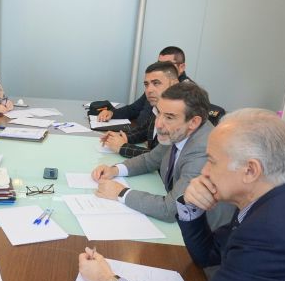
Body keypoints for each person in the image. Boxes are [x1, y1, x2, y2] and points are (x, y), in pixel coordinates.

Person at [79, 108, 285, 281]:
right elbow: (208, 255)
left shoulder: (271, 233)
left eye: (212, 162)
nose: (203, 172)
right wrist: (191, 207)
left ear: (250, 170)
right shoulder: (284, 194)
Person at [92, 82, 234, 228]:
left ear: (193, 122)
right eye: (158, 113)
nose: (158, 124)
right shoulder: (179, 130)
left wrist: (120, 192)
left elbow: (170, 210)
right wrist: (115, 170)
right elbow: (150, 160)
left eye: (169, 117)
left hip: (205, 237)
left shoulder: (203, 152)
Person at [94, 46, 192, 125]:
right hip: (139, 132)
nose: (160, 68)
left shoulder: (187, 93)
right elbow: (134, 108)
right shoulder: (153, 87)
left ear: (181, 67)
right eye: (159, 63)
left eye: (167, 64)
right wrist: (112, 113)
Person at [100, 61, 179, 158]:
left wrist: (123, 147)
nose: (149, 90)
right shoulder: (156, 108)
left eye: (156, 83)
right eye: (146, 84)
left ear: (174, 84)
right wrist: (123, 136)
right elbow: (145, 130)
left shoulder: (179, 116)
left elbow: (162, 158)